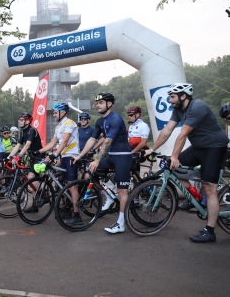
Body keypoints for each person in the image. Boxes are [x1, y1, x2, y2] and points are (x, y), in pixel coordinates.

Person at [146, 83, 228, 243]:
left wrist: (175, 156)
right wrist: (152, 149)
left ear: (183, 96)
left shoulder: (197, 107)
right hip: (198, 146)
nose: (169, 100)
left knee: (209, 188)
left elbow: (182, 135)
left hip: (214, 147)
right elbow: (166, 131)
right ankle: (195, 197)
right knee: (171, 165)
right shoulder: (178, 110)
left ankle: (210, 231)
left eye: (172, 97)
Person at [74, 92, 132, 234]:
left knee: (122, 191)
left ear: (109, 104)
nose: (97, 105)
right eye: (97, 103)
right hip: (111, 156)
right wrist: (80, 155)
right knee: (88, 174)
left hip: (123, 156)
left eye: (101, 102)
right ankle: (110, 195)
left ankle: (120, 224)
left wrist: (97, 159)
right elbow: (92, 140)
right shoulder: (100, 122)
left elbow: (107, 141)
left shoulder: (115, 119)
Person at [33, 103, 80, 223]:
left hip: (71, 156)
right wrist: (38, 151)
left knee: (72, 185)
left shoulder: (69, 123)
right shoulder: (59, 126)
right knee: (65, 184)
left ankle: (77, 215)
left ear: (63, 112)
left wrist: (54, 155)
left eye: (55, 112)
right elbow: (52, 143)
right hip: (63, 157)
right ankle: (68, 207)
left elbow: (64, 141)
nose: (53, 114)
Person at [8, 112, 44, 213]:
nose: (19, 121)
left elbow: (27, 145)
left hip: (39, 157)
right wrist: (9, 156)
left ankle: (42, 193)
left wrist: (19, 156)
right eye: (19, 119)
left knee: (31, 178)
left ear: (28, 121)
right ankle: (35, 205)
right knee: (32, 180)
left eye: (22, 119)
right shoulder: (23, 132)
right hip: (32, 157)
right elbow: (18, 145)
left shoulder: (32, 130)